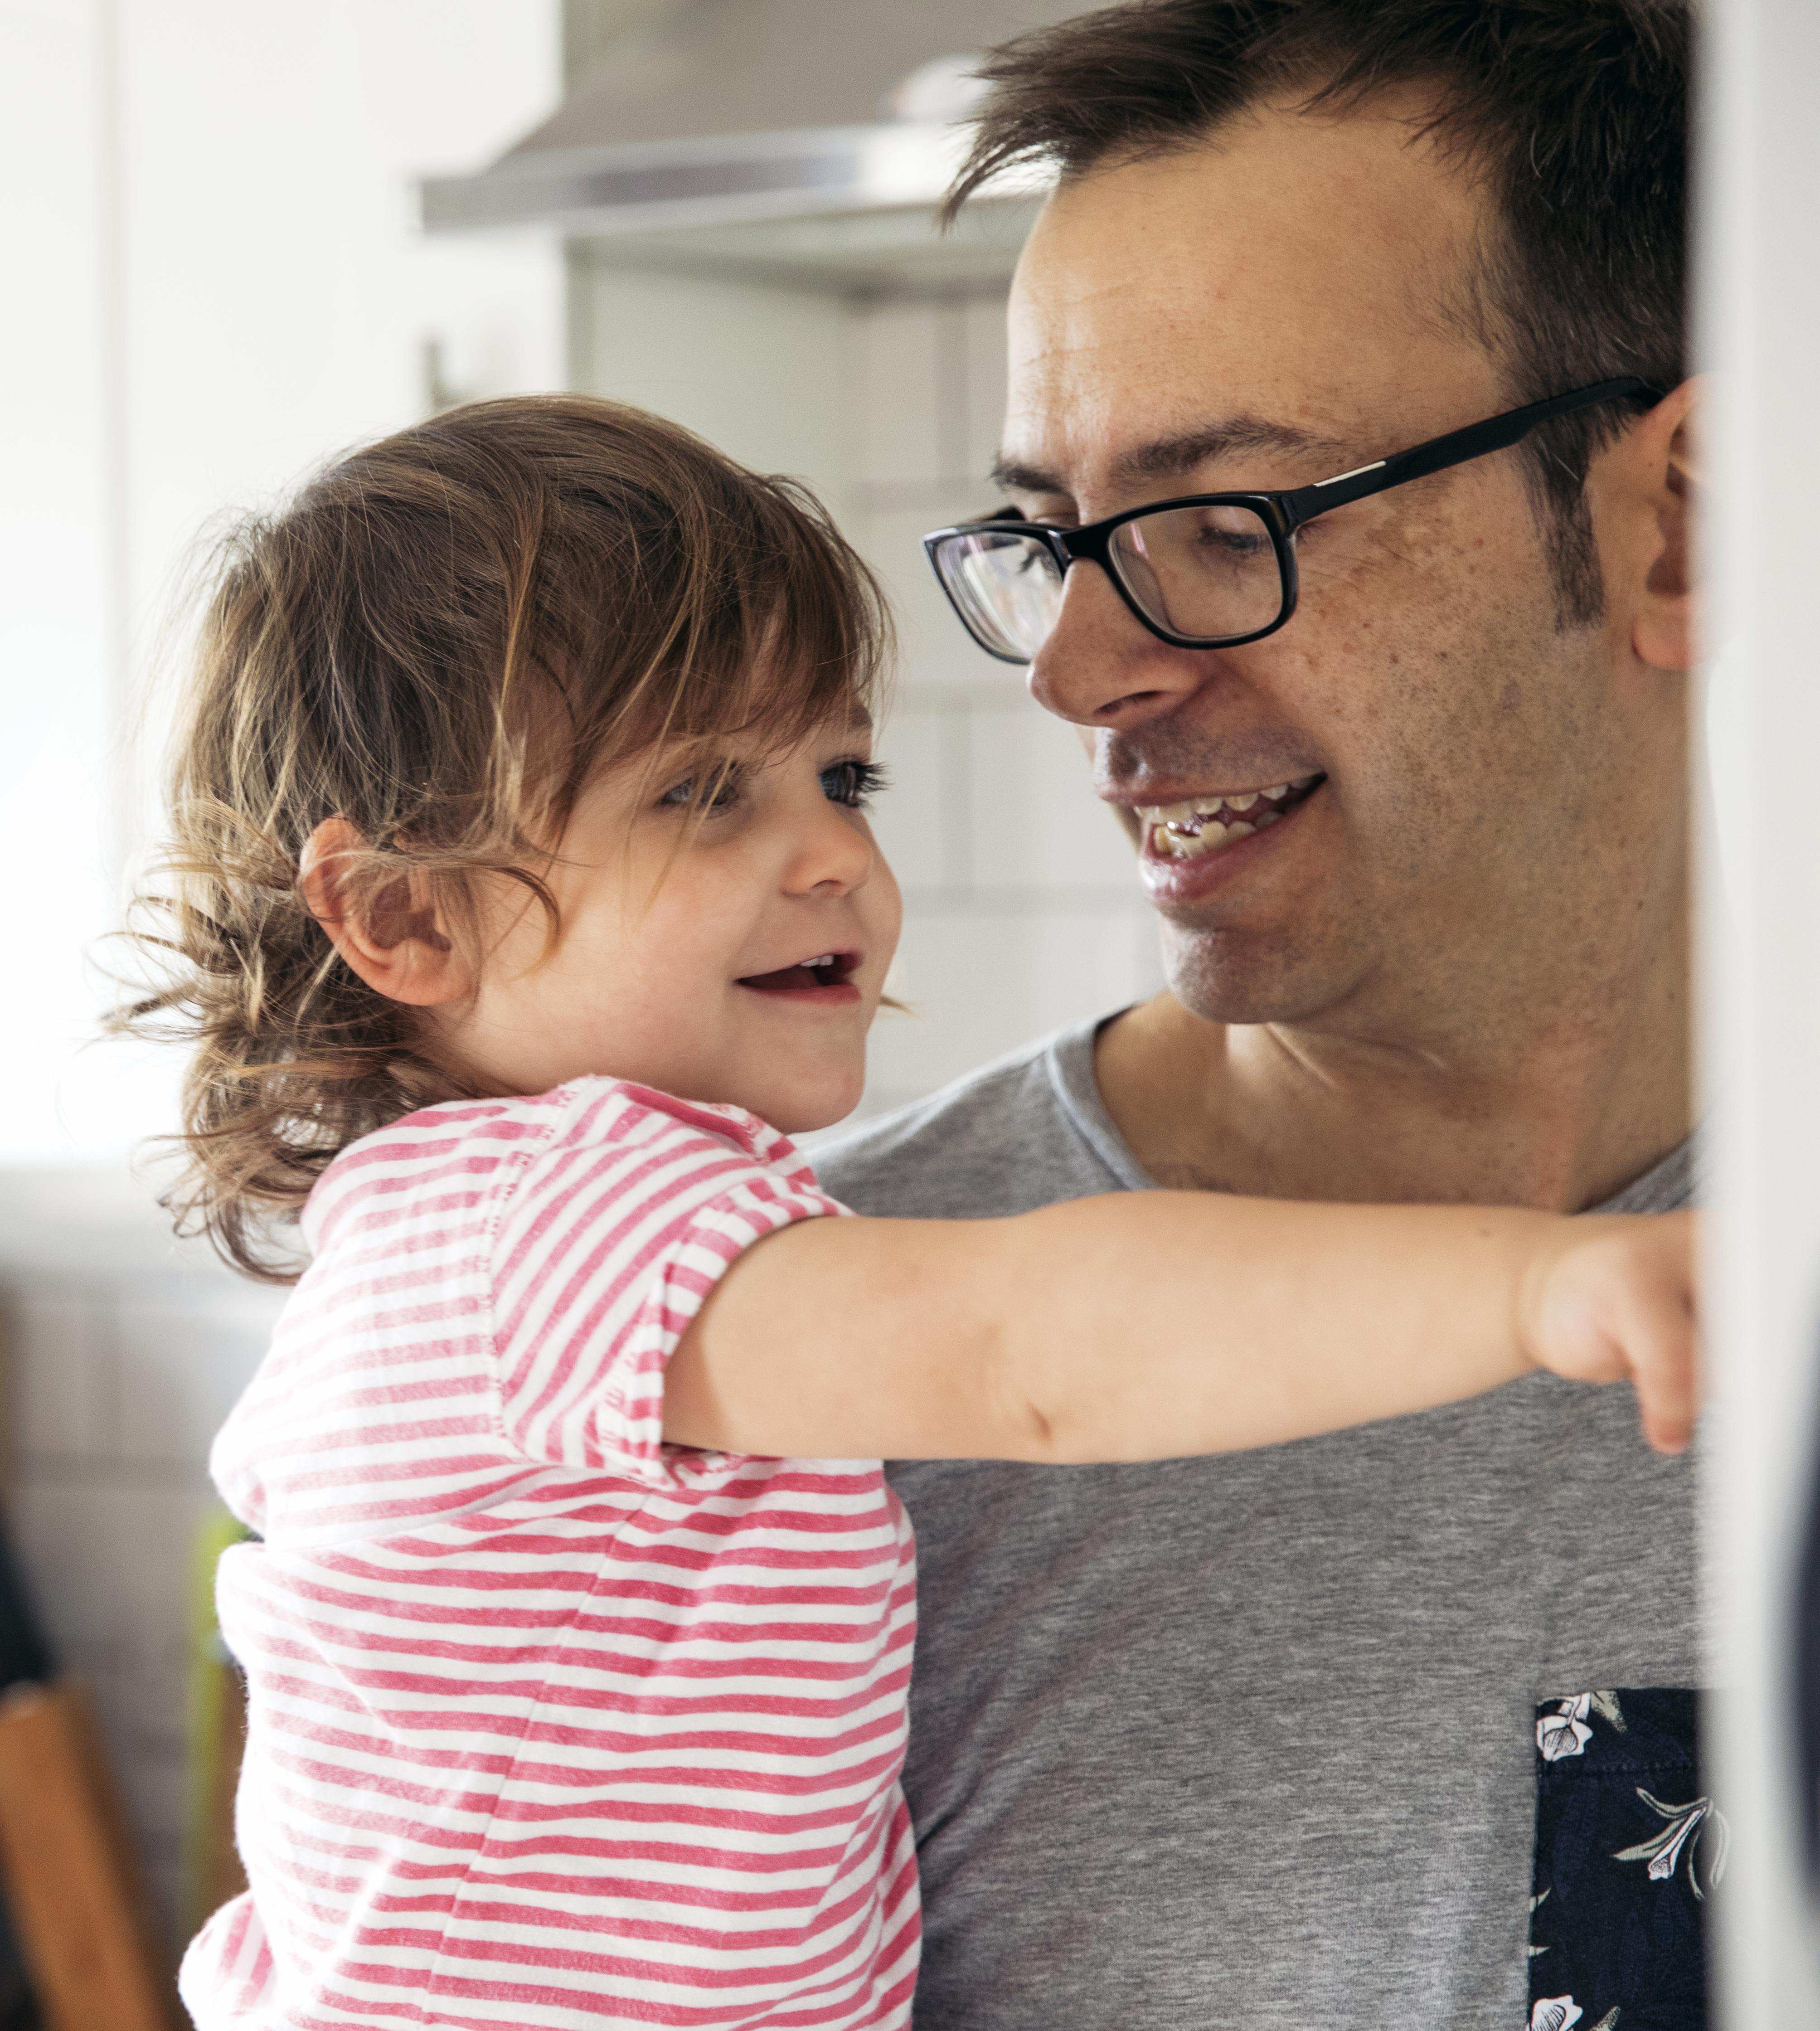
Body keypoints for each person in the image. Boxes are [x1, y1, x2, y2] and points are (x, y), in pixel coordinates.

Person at [127, 393, 1695, 2031]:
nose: (831, 858)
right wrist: (1534, 1290)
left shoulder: (500, 1234)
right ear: (403, 917)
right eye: (701, 794)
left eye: (840, 774)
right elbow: (1034, 1348)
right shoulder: (551, 1223)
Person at [818, 2, 1701, 2025]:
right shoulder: (805, 1353)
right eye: (1055, 541)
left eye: (1232, 525)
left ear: (1673, 521)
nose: (1081, 672)